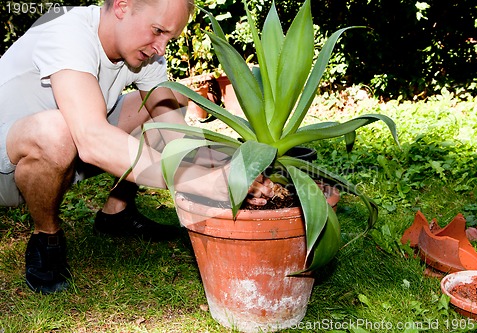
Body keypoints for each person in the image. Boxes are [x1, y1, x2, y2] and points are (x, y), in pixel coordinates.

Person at [0, 0, 274, 294]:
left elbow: (174, 136)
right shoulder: (66, 30)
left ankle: (116, 214)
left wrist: (232, 170)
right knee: (57, 131)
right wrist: (201, 183)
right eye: (157, 31)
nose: (161, 47)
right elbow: (92, 140)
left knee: (166, 101)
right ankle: (47, 236)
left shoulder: (147, 55)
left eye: (169, 38)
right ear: (122, 6)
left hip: (72, 147)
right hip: (10, 166)